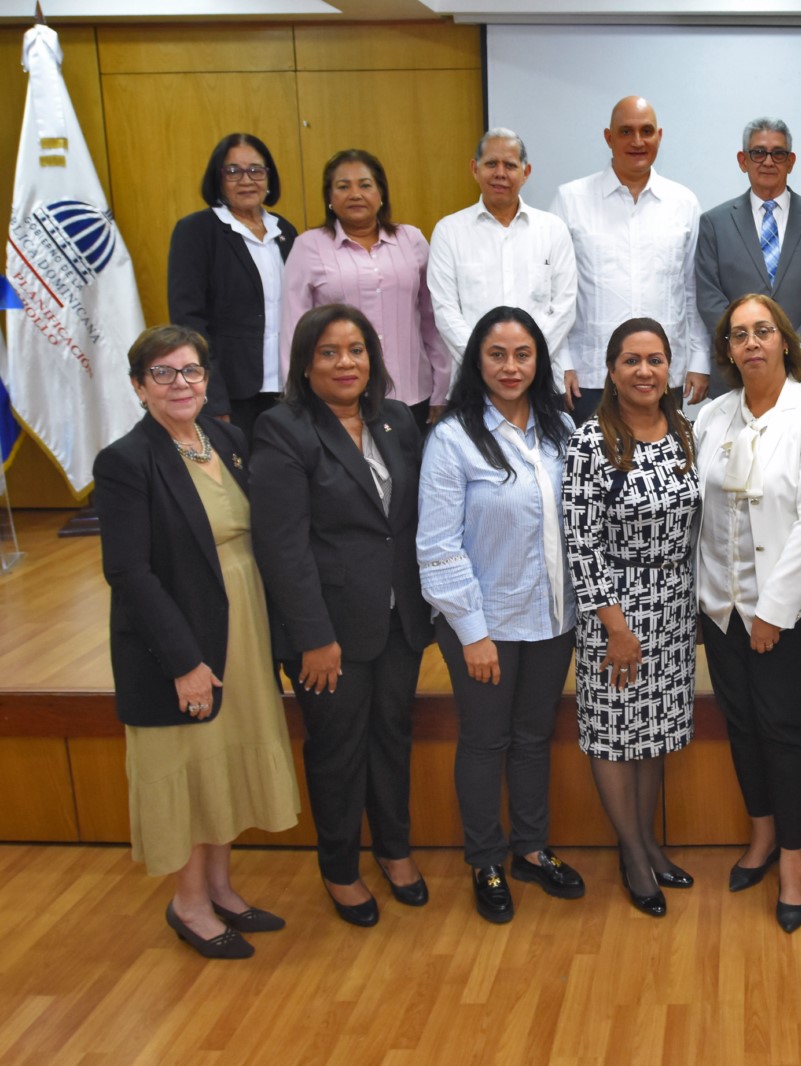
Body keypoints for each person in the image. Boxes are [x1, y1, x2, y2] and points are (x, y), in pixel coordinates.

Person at [93, 324, 300, 959]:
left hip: (243, 621)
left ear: (207, 380)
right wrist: (185, 662)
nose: (180, 384)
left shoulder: (227, 439)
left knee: (227, 758)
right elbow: (128, 571)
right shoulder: (127, 461)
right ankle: (187, 903)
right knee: (188, 766)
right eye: (163, 373)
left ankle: (218, 886)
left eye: (191, 371)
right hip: (179, 636)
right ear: (138, 386)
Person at [251, 304, 433, 926]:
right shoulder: (283, 430)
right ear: (305, 364)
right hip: (329, 632)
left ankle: (394, 849)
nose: (345, 363)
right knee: (337, 749)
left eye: (355, 349)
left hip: (397, 620)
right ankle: (339, 868)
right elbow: (281, 546)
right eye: (328, 352)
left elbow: (406, 524)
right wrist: (312, 637)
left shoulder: (395, 421)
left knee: (392, 737)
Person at [417, 306, 585, 924]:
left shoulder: (561, 429)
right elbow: (437, 546)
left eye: (522, 354)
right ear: (477, 361)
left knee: (533, 738)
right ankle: (486, 858)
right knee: (486, 741)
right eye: (497, 354)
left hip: (551, 617)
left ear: (539, 360)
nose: (511, 367)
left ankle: (531, 849)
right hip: (483, 624)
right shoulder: (453, 437)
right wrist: (472, 632)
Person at [695, 294, 801, 933]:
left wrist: (774, 612)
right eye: (739, 335)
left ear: (785, 341)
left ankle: (793, 861)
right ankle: (761, 836)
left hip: (791, 612)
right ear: (727, 350)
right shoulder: (709, 416)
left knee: (784, 732)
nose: (752, 343)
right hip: (720, 603)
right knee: (740, 724)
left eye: (763, 331)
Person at [562, 318, 702, 919]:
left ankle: (648, 842)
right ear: (611, 372)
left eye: (655, 360)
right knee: (616, 732)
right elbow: (580, 540)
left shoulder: (684, 432)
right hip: (614, 608)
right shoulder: (591, 440)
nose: (644, 371)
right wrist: (615, 625)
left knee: (655, 733)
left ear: (669, 368)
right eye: (630, 361)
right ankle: (631, 854)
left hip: (674, 604)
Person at [552, 97, 711, 423]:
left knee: (661, 471)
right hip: (590, 376)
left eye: (646, 131)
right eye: (626, 131)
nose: (637, 141)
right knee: (595, 470)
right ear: (609, 138)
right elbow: (554, 292)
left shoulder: (684, 203)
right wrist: (561, 361)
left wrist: (699, 359)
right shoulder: (571, 200)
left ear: (659, 136)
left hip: (663, 376)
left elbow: (693, 289)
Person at [279, 149, 451, 434]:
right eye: (343, 187)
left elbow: (432, 321)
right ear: (330, 198)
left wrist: (441, 387)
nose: (355, 194)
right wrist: (296, 401)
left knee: (410, 476)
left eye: (365, 185)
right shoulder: (308, 247)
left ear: (381, 193)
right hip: (338, 400)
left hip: (411, 394)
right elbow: (293, 332)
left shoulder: (412, 240)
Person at [696, 117, 801, 400]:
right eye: (758, 153)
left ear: (790, 161)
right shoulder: (714, 223)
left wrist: (796, 349)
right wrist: (740, 345)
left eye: (778, 153)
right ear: (743, 160)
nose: (768, 161)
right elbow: (708, 295)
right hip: (735, 374)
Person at [167, 133, 298, 440]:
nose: (246, 180)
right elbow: (189, 321)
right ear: (218, 178)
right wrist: (211, 394)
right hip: (232, 393)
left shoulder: (286, 231)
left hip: (287, 391)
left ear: (269, 177)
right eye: (233, 171)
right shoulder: (196, 231)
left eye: (256, 170)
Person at [428, 128, 578, 386]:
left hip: (541, 380)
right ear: (475, 169)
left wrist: (529, 360)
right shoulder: (449, 231)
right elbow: (446, 311)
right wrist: (484, 363)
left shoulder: (552, 230)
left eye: (509, 165)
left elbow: (564, 307)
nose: (500, 173)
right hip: (473, 382)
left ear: (525, 172)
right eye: (491, 164)